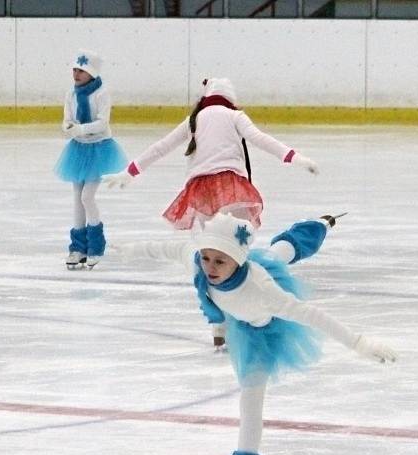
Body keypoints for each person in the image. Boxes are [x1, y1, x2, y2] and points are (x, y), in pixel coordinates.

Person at [112, 212, 397, 455]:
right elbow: (166, 249)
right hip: (243, 321)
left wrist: (359, 343)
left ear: (236, 260)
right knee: (278, 253)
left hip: (264, 331)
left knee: (250, 408)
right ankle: (318, 223)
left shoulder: (261, 287)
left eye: (219, 261)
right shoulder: (200, 261)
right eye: (207, 258)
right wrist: (132, 249)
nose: (209, 267)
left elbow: (311, 315)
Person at [103, 76, 318, 344]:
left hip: (201, 192)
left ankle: (218, 324)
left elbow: (161, 147)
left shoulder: (196, 118)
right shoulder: (233, 115)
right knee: (236, 252)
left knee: (209, 256)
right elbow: (260, 139)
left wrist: (129, 172)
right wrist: (295, 157)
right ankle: (248, 310)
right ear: (230, 98)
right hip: (231, 187)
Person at [55, 49, 128, 270]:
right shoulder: (71, 93)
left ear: (92, 73)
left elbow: (102, 123)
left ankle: (96, 245)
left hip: (100, 150)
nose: (76, 74)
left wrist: (79, 129)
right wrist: (68, 128)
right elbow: (67, 118)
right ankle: (77, 248)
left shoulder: (102, 93)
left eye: (82, 70)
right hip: (79, 150)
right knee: (77, 197)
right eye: (75, 69)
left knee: (88, 197)